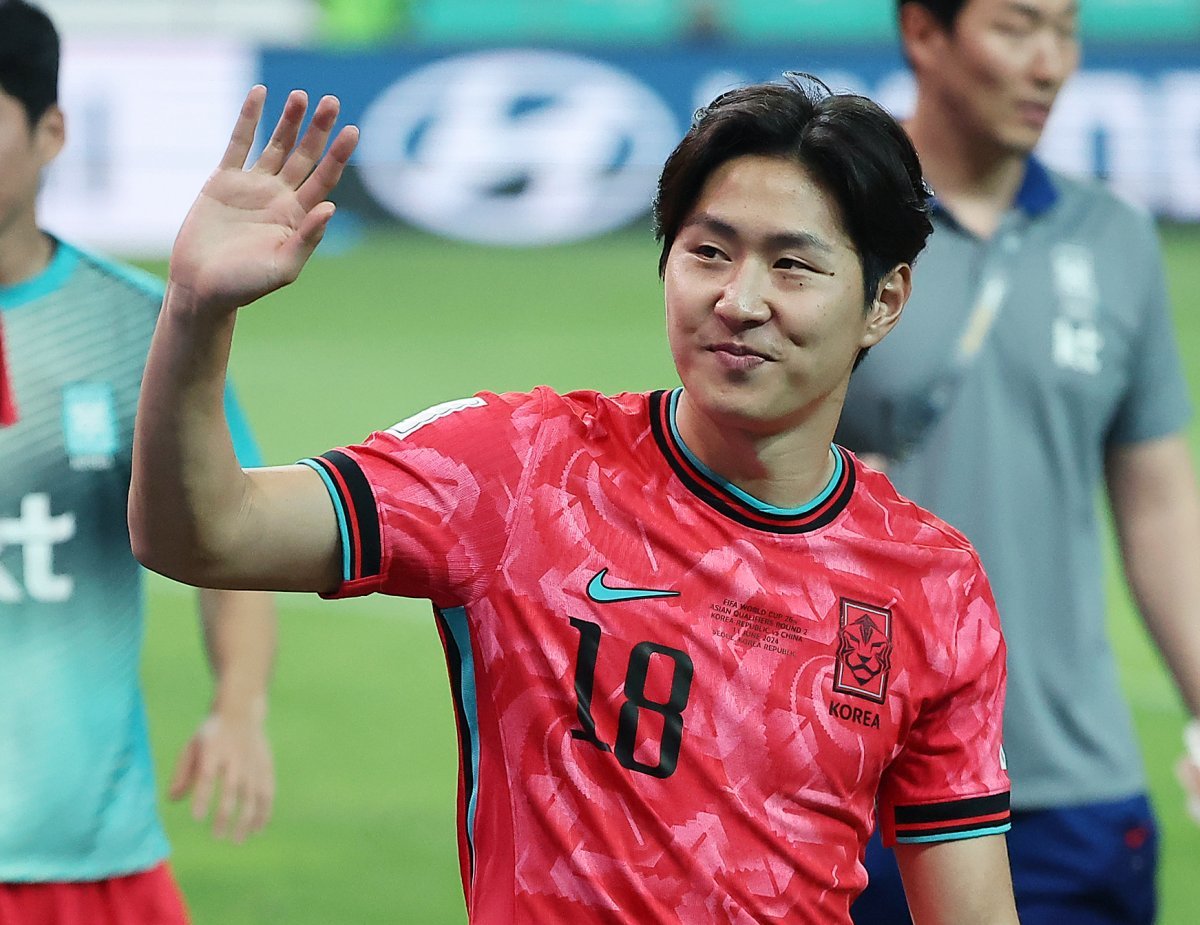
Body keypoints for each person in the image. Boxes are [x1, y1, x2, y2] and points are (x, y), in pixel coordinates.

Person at [127, 73, 1020, 923]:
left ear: (883, 301)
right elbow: (205, 535)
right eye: (709, 252)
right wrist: (196, 313)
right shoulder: (518, 468)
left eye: (792, 266)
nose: (738, 300)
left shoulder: (932, 583)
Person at [836, 1, 1200, 923]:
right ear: (924, 32)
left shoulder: (1113, 239)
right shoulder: (835, 224)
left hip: (1073, 783)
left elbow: (1158, 499)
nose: (1051, 64)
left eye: (1067, 31)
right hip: (854, 781)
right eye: (1016, 28)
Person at [0, 2, 278, 922]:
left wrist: (238, 703)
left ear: (51, 133)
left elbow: (226, 525)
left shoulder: (136, 327)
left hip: (87, 857)